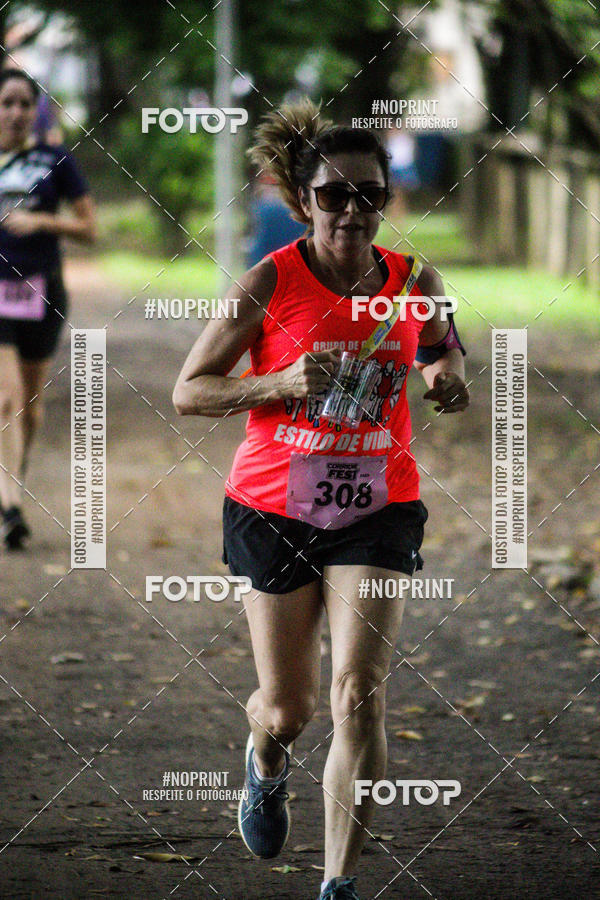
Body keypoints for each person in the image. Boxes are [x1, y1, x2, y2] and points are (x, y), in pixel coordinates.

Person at [173, 98, 469, 900]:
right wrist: (276, 381)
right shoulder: (270, 279)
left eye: (369, 194)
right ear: (303, 201)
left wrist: (448, 378)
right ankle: (265, 763)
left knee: (359, 698)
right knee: (290, 710)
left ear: (387, 201)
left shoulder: (416, 279)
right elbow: (188, 391)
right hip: (275, 508)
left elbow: (444, 348)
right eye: (334, 195)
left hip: (379, 506)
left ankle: (338, 883)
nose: (352, 210)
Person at [0, 69, 96, 550]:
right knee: (7, 397)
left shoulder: (55, 159)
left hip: (40, 291)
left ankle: (10, 478)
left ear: (35, 111)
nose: (16, 112)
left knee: (29, 409)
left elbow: (89, 228)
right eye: (7, 102)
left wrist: (38, 219)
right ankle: (11, 506)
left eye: (24, 104)